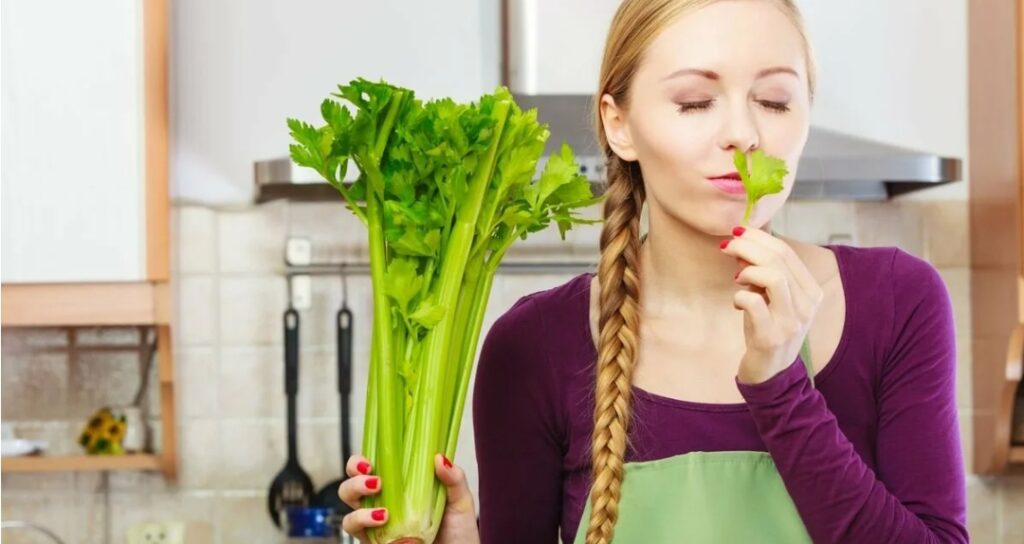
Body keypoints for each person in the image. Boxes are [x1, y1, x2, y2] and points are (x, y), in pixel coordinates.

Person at [337, 0, 969, 542]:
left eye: (775, 101)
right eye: (695, 102)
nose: (743, 133)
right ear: (619, 126)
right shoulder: (533, 347)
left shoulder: (898, 304)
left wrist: (783, 388)